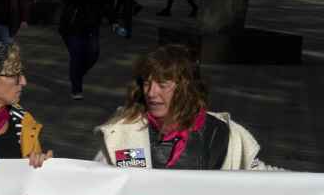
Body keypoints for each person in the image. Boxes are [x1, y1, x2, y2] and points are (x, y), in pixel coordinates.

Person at [94, 45, 272, 169]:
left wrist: (299, 186)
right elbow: (102, 182)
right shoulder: (127, 133)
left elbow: (264, 180)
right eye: (147, 83)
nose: (151, 93)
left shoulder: (222, 133)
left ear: (186, 88)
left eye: (163, 85)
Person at [59, 0, 107, 99]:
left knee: (93, 54)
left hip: (91, 25)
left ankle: (76, 75)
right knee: (77, 56)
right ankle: (76, 88)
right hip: (72, 26)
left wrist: (113, 19)